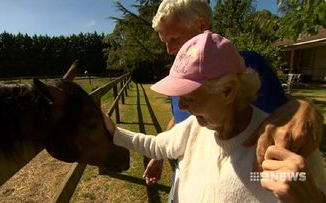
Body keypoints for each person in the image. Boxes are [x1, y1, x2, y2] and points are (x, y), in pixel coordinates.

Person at [104, 31, 326, 202]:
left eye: (189, 97)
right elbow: (156, 146)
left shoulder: (286, 147)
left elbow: (300, 184)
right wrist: (114, 132)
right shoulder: (194, 128)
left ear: (227, 91)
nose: (180, 105)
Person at [143, 0, 324, 186]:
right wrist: (158, 156)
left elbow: (283, 121)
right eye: (165, 43)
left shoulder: (247, 66)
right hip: (184, 185)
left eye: (174, 39)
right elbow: (178, 118)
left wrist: (304, 108)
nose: (169, 50)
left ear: (202, 25)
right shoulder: (179, 77)